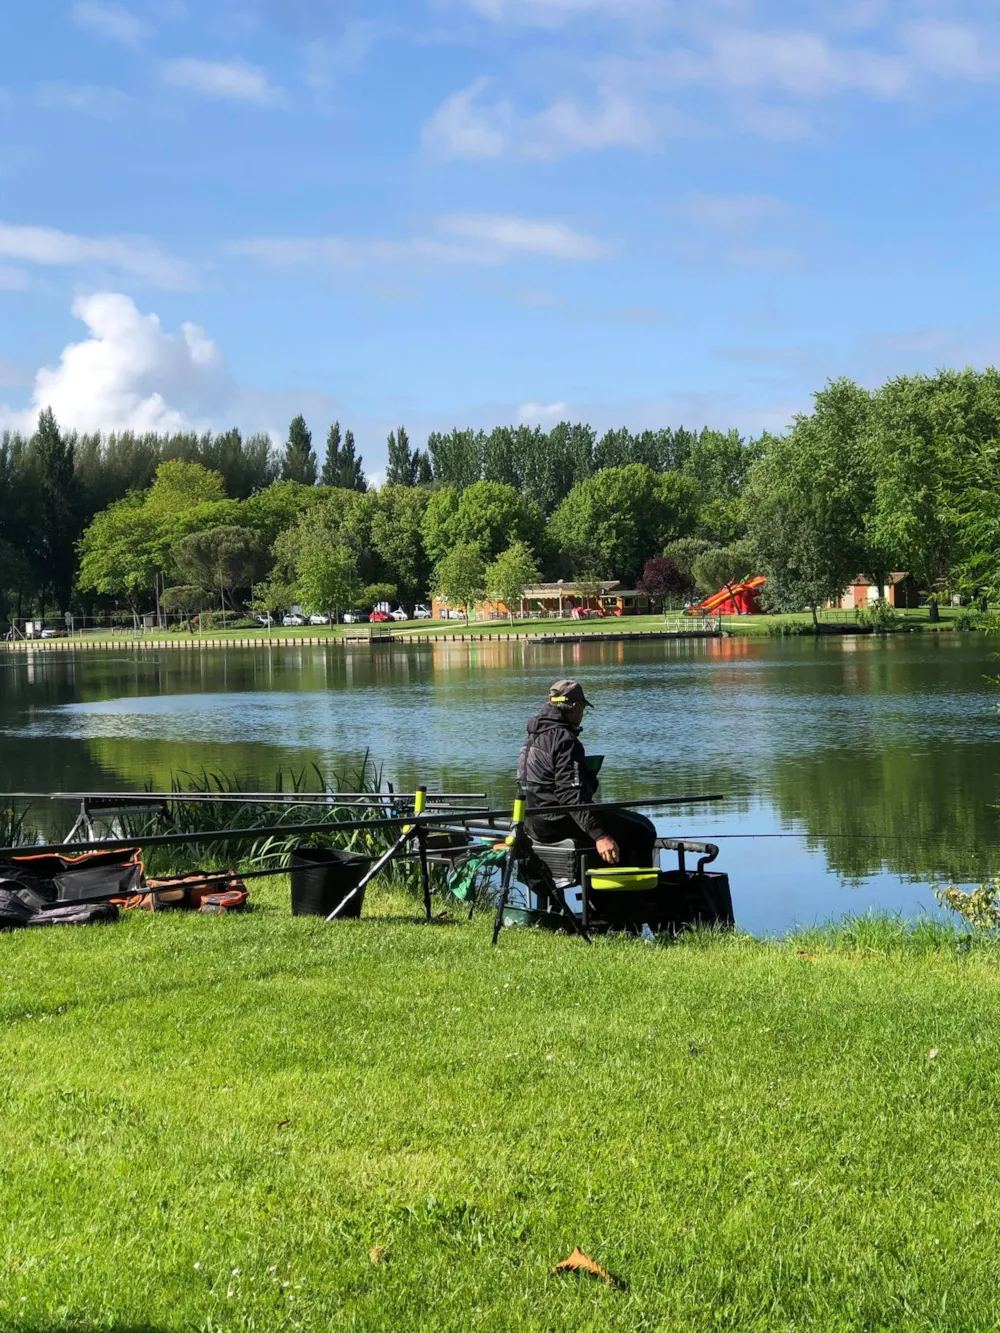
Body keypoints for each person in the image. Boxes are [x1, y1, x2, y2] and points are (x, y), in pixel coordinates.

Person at [516, 679, 657, 866]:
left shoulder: (534, 734)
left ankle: (602, 887)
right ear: (575, 707)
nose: (583, 714)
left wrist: (587, 779)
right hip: (557, 822)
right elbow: (570, 795)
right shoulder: (565, 740)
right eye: (584, 709)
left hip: (533, 822)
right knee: (643, 829)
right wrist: (600, 836)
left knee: (609, 821)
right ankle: (633, 893)